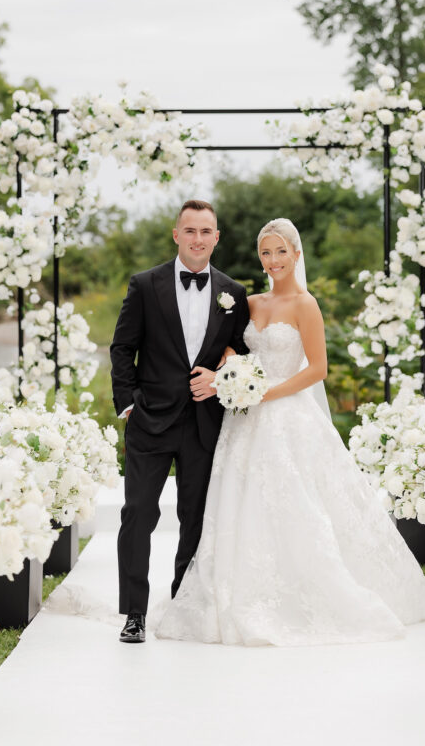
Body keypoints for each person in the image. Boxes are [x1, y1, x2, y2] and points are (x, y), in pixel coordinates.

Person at [154, 217, 425, 646]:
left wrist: (266, 393)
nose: (273, 261)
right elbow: (234, 346)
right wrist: (231, 373)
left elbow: (318, 369)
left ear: (296, 254)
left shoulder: (306, 305)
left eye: (280, 252)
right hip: (244, 416)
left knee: (299, 501)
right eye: (266, 253)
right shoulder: (249, 302)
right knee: (238, 499)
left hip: (287, 413)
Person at [110, 199, 250, 643]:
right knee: (137, 515)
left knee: (196, 519)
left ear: (217, 237)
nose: (197, 239)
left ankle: (182, 604)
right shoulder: (145, 285)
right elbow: (121, 348)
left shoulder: (234, 293)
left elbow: (242, 355)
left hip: (205, 423)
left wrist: (220, 378)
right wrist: (128, 403)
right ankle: (134, 613)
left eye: (205, 231)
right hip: (149, 420)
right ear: (176, 235)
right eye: (189, 231)